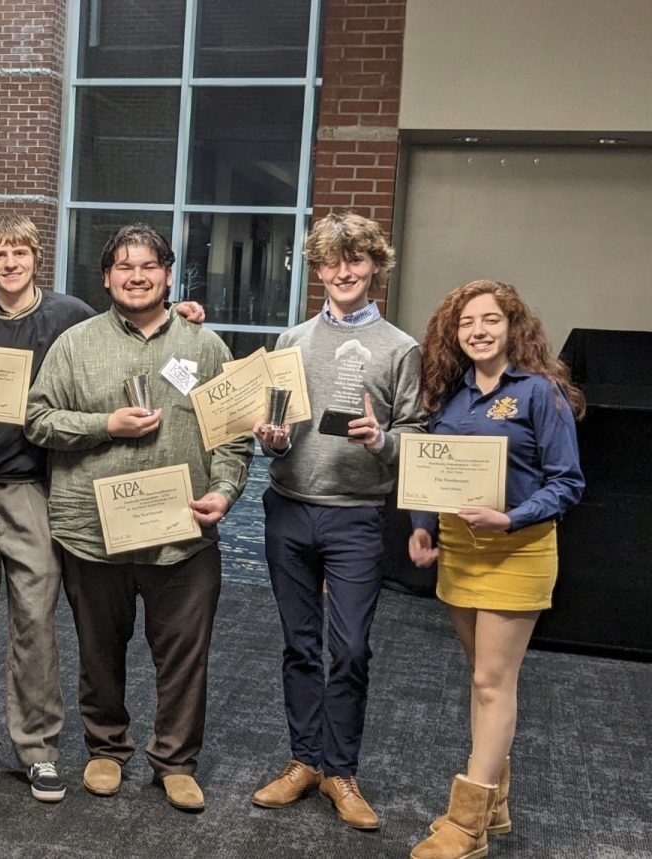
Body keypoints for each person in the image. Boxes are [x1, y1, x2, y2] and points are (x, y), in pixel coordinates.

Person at [0, 213, 203, 803]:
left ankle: (38, 748)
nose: (11, 263)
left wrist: (183, 314)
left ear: (35, 259)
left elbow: (132, 329)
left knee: (35, 620)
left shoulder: (70, 318)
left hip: (33, 488)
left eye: (20, 252)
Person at [25, 224, 249, 812]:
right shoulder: (75, 344)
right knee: (100, 648)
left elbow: (233, 434)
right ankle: (105, 748)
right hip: (94, 531)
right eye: (123, 266)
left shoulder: (205, 347)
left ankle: (175, 760)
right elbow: (38, 419)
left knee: (183, 654)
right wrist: (106, 425)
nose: (136, 275)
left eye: (148, 265)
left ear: (169, 275)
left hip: (184, 533)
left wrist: (225, 492)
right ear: (106, 278)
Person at [250, 212, 425, 830]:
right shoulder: (291, 341)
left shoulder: (401, 349)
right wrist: (270, 439)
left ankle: (341, 772)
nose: (342, 273)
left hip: (356, 518)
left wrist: (383, 440)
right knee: (299, 645)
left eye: (355, 261)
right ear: (317, 269)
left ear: (376, 265)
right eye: (330, 262)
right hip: (289, 508)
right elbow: (275, 432)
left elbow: (417, 435)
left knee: (348, 649)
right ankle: (304, 762)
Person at [406, 280, 584, 859]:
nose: (478, 331)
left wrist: (510, 520)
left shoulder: (541, 392)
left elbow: (567, 483)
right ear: (453, 334)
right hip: (460, 546)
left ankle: (467, 825)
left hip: (518, 548)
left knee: (491, 681)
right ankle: (496, 806)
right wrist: (421, 524)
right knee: (481, 677)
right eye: (466, 323)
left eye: (490, 320)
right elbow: (435, 472)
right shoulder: (449, 397)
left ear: (514, 327)